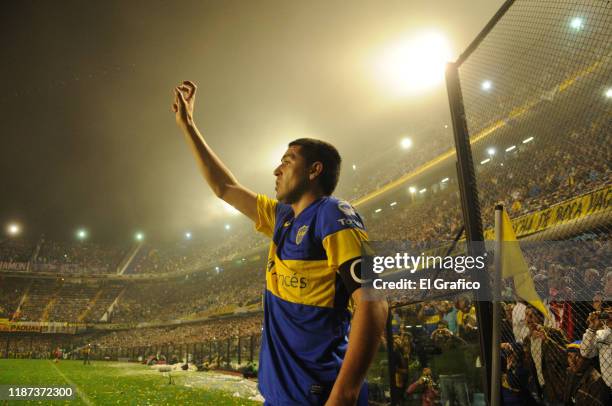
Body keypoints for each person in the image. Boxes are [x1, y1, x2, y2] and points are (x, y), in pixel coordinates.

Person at [172, 80, 388, 405]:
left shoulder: (334, 214)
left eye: (287, 161)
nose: (276, 170)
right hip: (281, 395)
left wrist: (344, 395)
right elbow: (225, 187)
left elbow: (374, 301)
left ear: (315, 170)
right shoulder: (282, 217)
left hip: (319, 395)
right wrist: (188, 126)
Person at [562, 341, 609, 405]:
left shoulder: (595, 381)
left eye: (577, 356)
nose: (573, 361)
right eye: (570, 356)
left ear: (588, 359)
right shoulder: (570, 372)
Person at [580, 304, 612, 389]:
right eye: (606, 311)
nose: (609, 315)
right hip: (608, 386)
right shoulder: (601, 333)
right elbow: (586, 353)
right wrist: (592, 329)